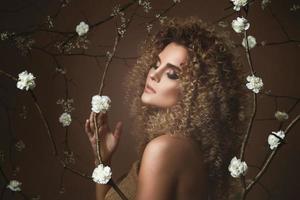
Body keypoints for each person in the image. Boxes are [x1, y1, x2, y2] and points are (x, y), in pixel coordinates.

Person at [85, 16, 252, 200]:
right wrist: (102, 160)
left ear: (199, 91)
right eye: (156, 64)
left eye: (172, 74)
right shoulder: (183, 147)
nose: (154, 75)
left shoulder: (164, 149)